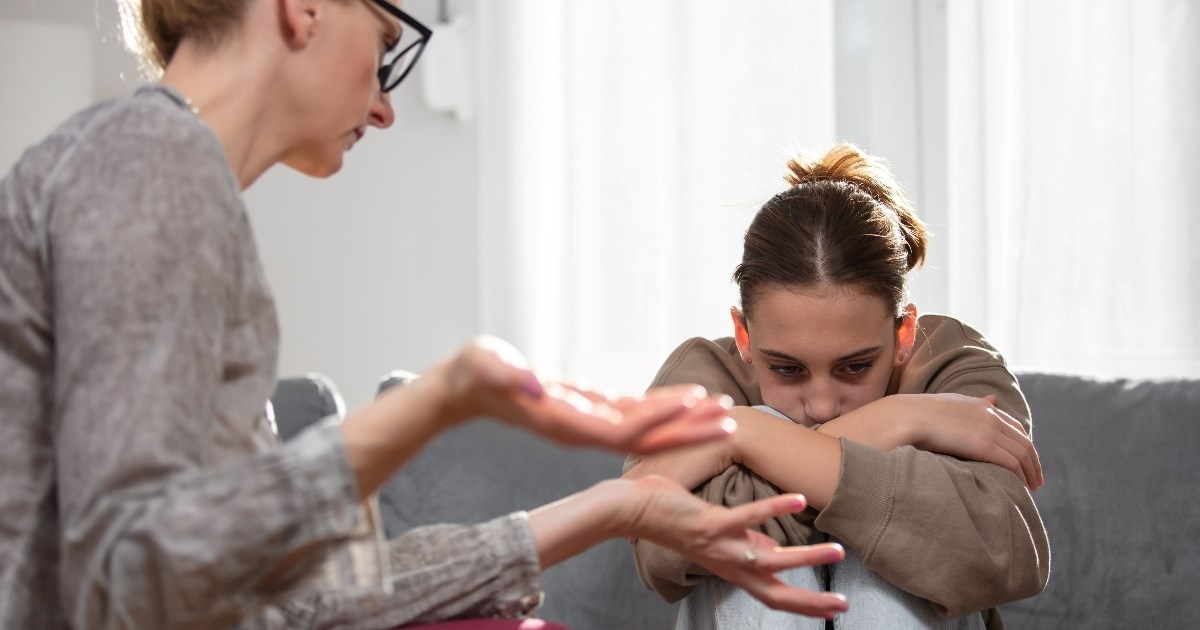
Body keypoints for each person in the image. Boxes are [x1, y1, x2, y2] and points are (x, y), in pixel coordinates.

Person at [0, 1, 852, 628]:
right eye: (385, 49)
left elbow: (298, 602)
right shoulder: (146, 167)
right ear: (304, 11)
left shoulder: (169, 182)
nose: (383, 106)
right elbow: (129, 580)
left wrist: (617, 508)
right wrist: (435, 401)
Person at [624, 144, 1051, 628]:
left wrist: (746, 439)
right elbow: (661, 554)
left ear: (903, 333)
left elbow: (1001, 554)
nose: (822, 404)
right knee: (748, 562)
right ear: (744, 335)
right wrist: (902, 420)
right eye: (786, 369)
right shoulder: (702, 375)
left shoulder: (953, 362)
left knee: (896, 557)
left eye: (855, 367)